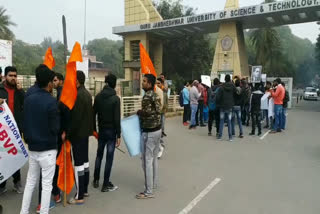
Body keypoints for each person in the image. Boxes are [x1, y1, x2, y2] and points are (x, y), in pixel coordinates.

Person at [20, 65, 59, 214]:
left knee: (30, 182)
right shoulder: (51, 101)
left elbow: (24, 122)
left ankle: (23, 211)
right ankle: (43, 211)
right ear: (49, 83)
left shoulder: (28, 98)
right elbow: (55, 127)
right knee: (47, 184)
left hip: (33, 148)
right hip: (48, 149)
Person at [68, 70, 94, 204]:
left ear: (77, 81)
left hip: (77, 134)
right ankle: (84, 190)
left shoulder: (78, 95)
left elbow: (75, 119)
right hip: (85, 133)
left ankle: (79, 196)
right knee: (85, 162)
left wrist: (68, 133)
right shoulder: (88, 94)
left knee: (79, 164)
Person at [93, 74, 121, 192]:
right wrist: (118, 135)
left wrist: (94, 129)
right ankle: (105, 184)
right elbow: (116, 119)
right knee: (109, 158)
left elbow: (92, 114)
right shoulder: (115, 99)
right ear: (114, 84)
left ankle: (95, 179)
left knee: (99, 155)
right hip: (111, 132)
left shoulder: (98, 97)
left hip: (101, 130)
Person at [136, 74, 161, 199]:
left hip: (149, 131)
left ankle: (148, 191)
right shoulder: (155, 95)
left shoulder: (146, 97)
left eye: (144, 81)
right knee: (154, 158)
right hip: (158, 130)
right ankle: (153, 183)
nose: (142, 83)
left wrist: (139, 112)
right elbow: (158, 110)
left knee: (147, 160)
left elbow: (146, 113)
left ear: (150, 84)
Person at [0, 66, 25, 195]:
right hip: (2, 130)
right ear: (5, 76)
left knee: (16, 155)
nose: (13, 78)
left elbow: (26, 105)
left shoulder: (19, 91)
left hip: (16, 130)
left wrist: (21, 91)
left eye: (15, 75)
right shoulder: (0, 90)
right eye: (11, 75)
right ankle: (2, 184)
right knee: (3, 157)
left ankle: (17, 182)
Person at [216, 74, 236, 141]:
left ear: (224, 79)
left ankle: (220, 136)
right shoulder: (233, 86)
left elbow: (218, 97)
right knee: (229, 121)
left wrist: (218, 103)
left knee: (221, 121)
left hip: (222, 105)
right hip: (230, 105)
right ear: (230, 79)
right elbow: (236, 94)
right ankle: (230, 137)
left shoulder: (221, 87)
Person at [156, 78, 167, 159]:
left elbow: (165, 104)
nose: (157, 85)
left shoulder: (164, 93)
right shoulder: (154, 92)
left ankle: (160, 146)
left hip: (161, 114)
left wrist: (162, 111)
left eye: (159, 83)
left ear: (162, 84)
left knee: (159, 129)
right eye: (156, 83)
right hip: (155, 116)